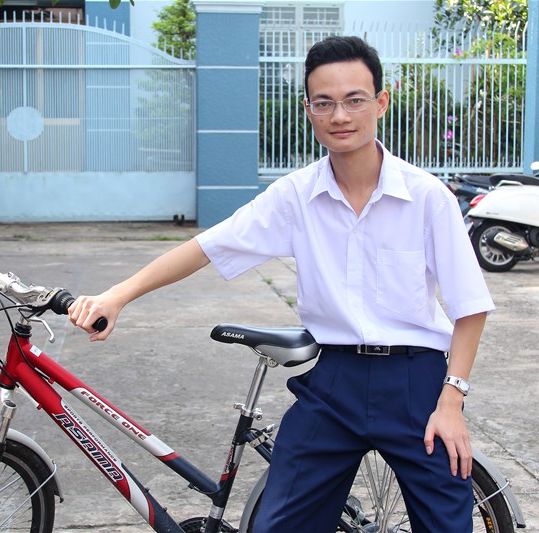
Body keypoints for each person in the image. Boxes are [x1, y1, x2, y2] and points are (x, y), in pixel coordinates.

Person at [69, 35, 493, 533]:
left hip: (416, 382)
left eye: (355, 100)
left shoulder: (426, 197)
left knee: (447, 521)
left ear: (380, 103)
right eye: (324, 103)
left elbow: (470, 305)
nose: (340, 116)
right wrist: (118, 295)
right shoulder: (295, 196)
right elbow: (208, 246)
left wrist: (452, 400)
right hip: (334, 381)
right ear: (308, 110)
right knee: (276, 524)